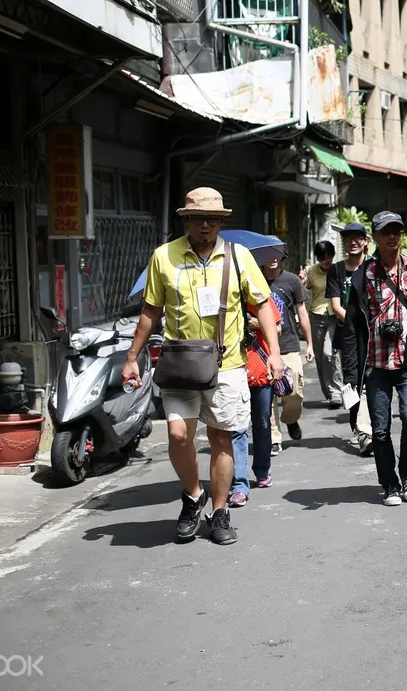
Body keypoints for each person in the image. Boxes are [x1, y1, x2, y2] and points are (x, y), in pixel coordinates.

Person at [122, 187, 280, 545]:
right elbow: (151, 310)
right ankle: (194, 495)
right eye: (197, 218)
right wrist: (132, 356)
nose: (204, 224)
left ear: (222, 221)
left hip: (227, 364)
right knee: (178, 435)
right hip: (180, 362)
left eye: (212, 218)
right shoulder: (165, 256)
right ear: (186, 219)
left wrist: (274, 352)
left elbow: (264, 305)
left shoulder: (238, 257)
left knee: (221, 437)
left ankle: (220, 511)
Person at [339, 212, 407, 506]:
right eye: (386, 231)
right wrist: (350, 375)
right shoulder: (362, 277)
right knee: (380, 429)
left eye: (397, 231)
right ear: (374, 237)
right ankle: (389, 483)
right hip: (375, 365)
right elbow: (351, 330)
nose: (393, 236)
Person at [230, 288, 286, 506]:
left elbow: (278, 328)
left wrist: (253, 322)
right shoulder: (223, 298)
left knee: (262, 423)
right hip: (233, 370)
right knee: (237, 427)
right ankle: (239, 483)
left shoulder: (261, 299)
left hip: (261, 369)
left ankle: (262, 470)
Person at [258, 244, 313, 456]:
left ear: (283, 257)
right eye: (268, 254)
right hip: (262, 348)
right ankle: (274, 438)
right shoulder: (254, 280)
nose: (272, 258)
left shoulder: (292, 281)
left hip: (289, 345)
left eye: (277, 254)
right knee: (267, 395)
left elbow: (302, 312)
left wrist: (308, 343)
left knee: (294, 392)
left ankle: (290, 419)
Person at [328, 222, 373, 453]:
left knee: (370, 380)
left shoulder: (374, 267)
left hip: (372, 335)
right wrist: (356, 321)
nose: (352, 242)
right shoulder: (336, 270)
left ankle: (367, 429)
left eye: (357, 238)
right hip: (346, 335)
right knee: (351, 382)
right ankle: (358, 428)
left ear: (366, 241)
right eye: (348, 238)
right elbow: (336, 306)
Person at [301, 240, 342, 408]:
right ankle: (328, 392)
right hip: (316, 317)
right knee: (319, 356)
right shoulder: (311, 271)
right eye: (322, 257)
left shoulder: (339, 269)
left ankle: (336, 393)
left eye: (329, 256)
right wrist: (302, 281)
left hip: (334, 315)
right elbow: (304, 291)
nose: (326, 260)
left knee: (329, 353)